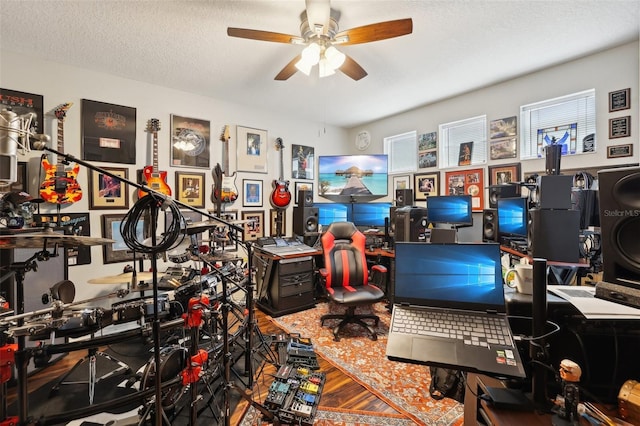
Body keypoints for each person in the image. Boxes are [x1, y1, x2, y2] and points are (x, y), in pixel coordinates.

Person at [554, 359, 582, 423]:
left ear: (574, 375)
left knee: (574, 412)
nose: (560, 370)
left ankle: (575, 421)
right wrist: (557, 377)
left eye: (565, 370)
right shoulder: (564, 382)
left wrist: (575, 403)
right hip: (566, 399)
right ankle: (567, 417)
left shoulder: (574, 387)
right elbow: (560, 383)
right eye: (560, 368)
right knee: (567, 410)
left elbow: (576, 397)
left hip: (572, 402)